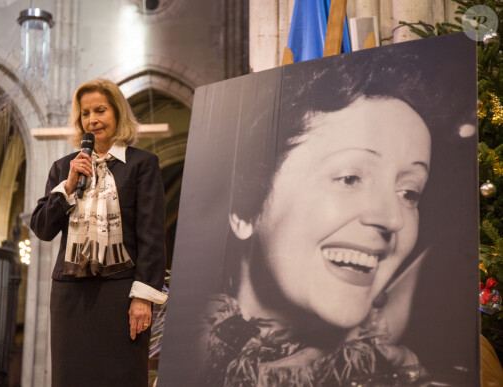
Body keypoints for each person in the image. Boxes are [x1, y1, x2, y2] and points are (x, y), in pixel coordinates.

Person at [200, 43, 475, 386]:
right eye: (350, 178)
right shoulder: (184, 354)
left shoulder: (404, 373)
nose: (394, 220)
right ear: (244, 209)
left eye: (409, 193)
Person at [30, 78, 167, 387]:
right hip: (70, 294)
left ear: (117, 113)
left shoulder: (142, 165)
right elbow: (42, 228)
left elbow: (151, 236)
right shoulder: (65, 167)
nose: (92, 120)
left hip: (121, 294)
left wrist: (143, 298)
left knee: (122, 378)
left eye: (100, 110)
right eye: (85, 113)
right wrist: (67, 186)